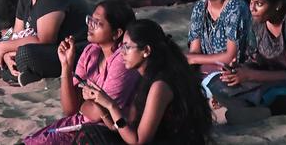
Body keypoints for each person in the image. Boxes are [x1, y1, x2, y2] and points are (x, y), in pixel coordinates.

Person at [74, 18, 213, 145]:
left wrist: (111, 106)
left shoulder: (160, 86)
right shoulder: (145, 78)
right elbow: (120, 127)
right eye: (121, 46)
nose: (121, 52)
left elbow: (139, 141)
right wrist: (98, 102)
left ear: (146, 51)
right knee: (90, 133)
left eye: (127, 47)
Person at [24, 0, 140, 145]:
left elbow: (96, 114)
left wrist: (84, 103)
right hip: (80, 123)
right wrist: (66, 65)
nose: (90, 26)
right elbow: (70, 109)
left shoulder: (122, 60)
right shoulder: (91, 50)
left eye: (97, 23)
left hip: (104, 133)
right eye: (90, 20)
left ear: (116, 33)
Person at [185, 0, 251, 72]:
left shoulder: (236, 8)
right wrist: (194, 59)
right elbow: (194, 50)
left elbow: (231, 57)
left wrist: (194, 59)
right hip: (207, 67)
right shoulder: (200, 7)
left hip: (236, 70)